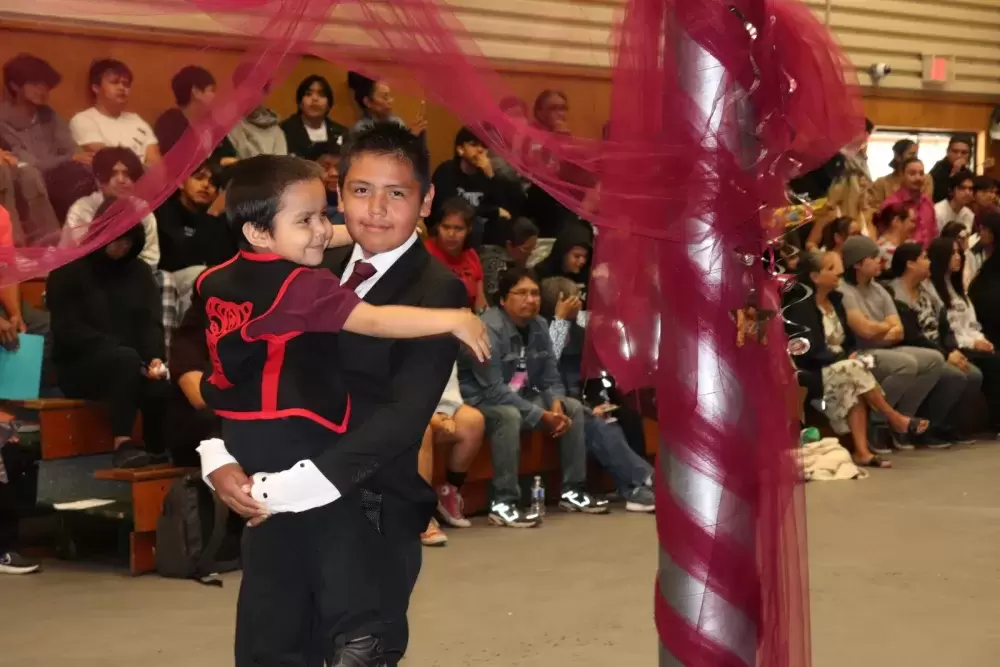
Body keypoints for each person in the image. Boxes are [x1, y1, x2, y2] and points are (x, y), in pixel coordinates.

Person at [198, 125, 485, 667]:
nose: (375, 210)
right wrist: (219, 456)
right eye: (359, 190)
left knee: (353, 653)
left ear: (425, 200)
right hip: (273, 503)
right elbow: (224, 357)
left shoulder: (437, 291)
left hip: (365, 507)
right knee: (269, 651)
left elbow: (404, 417)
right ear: (337, 195)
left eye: (396, 193)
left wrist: (302, 484)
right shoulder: (303, 257)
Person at [47, 200, 172, 468]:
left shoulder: (139, 272)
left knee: (157, 376)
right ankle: (122, 443)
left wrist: (154, 359)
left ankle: (158, 447)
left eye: (128, 241)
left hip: (129, 361)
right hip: (80, 365)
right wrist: (120, 351)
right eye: (117, 239)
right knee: (125, 360)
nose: (122, 246)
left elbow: (150, 323)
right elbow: (67, 330)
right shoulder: (69, 270)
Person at [785, 251, 930, 467]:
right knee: (854, 370)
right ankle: (894, 418)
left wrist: (850, 354)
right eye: (831, 269)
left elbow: (849, 340)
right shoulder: (800, 307)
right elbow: (808, 352)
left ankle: (862, 452)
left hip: (843, 365)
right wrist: (844, 357)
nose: (840, 273)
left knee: (855, 377)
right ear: (815, 277)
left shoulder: (836, 300)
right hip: (815, 369)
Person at [838, 236, 947, 450]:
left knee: (934, 359)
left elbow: (899, 330)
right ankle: (877, 424)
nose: (880, 262)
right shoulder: (844, 291)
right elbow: (863, 331)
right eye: (873, 258)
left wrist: (878, 329)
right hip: (860, 353)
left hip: (885, 347)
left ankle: (903, 421)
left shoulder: (879, 289)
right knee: (906, 363)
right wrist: (883, 326)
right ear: (858, 263)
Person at [885, 242, 975, 445]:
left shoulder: (926, 291)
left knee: (973, 374)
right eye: (924, 258)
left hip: (937, 348)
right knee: (955, 376)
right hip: (916, 349)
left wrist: (953, 349)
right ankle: (924, 430)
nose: (930, 262)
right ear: (910, 264)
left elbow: (944, 326)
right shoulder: (894, 293)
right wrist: (945, 354)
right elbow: (912, 335)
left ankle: (944, 425)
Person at [0, 53, 84, 236]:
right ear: (14, 85)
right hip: (31, 175)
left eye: (46, 84)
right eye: (35, 84)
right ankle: (51, 242)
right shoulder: (3, 119)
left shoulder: (49, 115)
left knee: (92, 174)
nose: (43, 90)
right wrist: (68, 158)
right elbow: (30, 161)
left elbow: (70, 147)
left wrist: (80, 158)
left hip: (61, 173)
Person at [927, 236, 1000, 431]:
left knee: (995, 355)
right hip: (953, 345)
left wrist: (982, 340)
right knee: (994, 364)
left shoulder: (958, 289)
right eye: (953, 253)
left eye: (959, 253)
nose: (958, 257)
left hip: (971, 342)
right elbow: (949, 329)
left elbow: (972, 324)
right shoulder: (933, 290)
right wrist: (972, 344)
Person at [417, 364, 485, 547]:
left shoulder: (443, 337)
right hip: (398, 407)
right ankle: (421, 514)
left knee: (473, 422)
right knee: (421, 430)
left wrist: (443, 414)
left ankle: (448, 492)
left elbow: (449, 385)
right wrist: (428, 416)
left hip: (436, 406)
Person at [62, 146, 159, 267]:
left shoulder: (142, 209)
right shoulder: (82, 209)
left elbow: (151, 257)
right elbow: (81, 257)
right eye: (113, 174)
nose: (121, 180)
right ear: (99, 179)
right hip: (89, 274)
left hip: (131, 274)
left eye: (127, 174)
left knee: (165, 278)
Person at [430, 127, 523, 247]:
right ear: (460, 149)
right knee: (476, 224)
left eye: (484, 146)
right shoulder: (447, 170)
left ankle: (495, 260)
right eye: (473, 145)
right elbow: (448, 207)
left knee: (512, 225)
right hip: (450, 223)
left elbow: (504, 208)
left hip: (481, 225)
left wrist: (491, 176)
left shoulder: (486, 173)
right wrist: (493, 211)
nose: (480, 150)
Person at [69, 59, 160, 164]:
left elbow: (155, 160)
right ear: (96, 88)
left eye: (126, 84)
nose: (122, 88)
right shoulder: (83, 119)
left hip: (147, 178)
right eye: (114, 82)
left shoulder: (136, 119)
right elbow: (108, 160)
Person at [424, 196, 485, 309]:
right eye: (446, 227)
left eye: (458, 229)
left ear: (469, 229)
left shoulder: (471, 256)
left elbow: (481, 305)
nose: (451, 234)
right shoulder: (424, 253)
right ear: (438, 227)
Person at [280, 75, 349, 160]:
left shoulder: (342, 133)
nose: (315, 99)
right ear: (299, 102)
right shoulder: (284, 131)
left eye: (321, 94)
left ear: (329, 104)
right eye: (308, 94)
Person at [226, 64, 287, 159]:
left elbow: (281, 168)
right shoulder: (225, 124)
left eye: (257, 87)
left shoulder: (276, 131)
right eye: (245, 87)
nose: (250, 93)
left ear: (265, 92)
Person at [346, 72, 427, 139]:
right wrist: (409, 138)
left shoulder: (397, 122)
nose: (390, 101)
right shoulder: (361, 130)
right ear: (368, 102)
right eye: (385, 97)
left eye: (389, 96)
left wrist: (413, 137)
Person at [480, 216, 539, 306]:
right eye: (526, 249)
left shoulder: (517, 261)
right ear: (509, 245)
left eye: (532, 249)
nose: (530, 254)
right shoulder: (492, 262)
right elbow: (494, 299)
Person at [879, 157, 936, 246]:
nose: (918, 178)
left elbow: (934, 235)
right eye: (912, 174)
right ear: (902, 175)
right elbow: (886, 241)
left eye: (921, 173)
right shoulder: (891, 205)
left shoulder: (928, 202)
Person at [868, 139, 932, 211]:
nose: (915, 158)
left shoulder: (925, 179)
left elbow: (926, 207)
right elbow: (875, 211)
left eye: (916, 154)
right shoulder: (881, 183)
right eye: (912, 154)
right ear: (898, 157)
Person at [928, 136, 972, 203]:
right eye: (955, 151)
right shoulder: (938, 169)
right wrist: (954, 174)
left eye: (964, 153)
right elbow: (940, 197)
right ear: (948, 152)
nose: (959, 156)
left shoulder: (967, 172)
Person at [873, 201, 914, 267]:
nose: (914, 226)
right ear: (897, 221)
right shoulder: (886, 250)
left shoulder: (908, 245)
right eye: (911, 221)